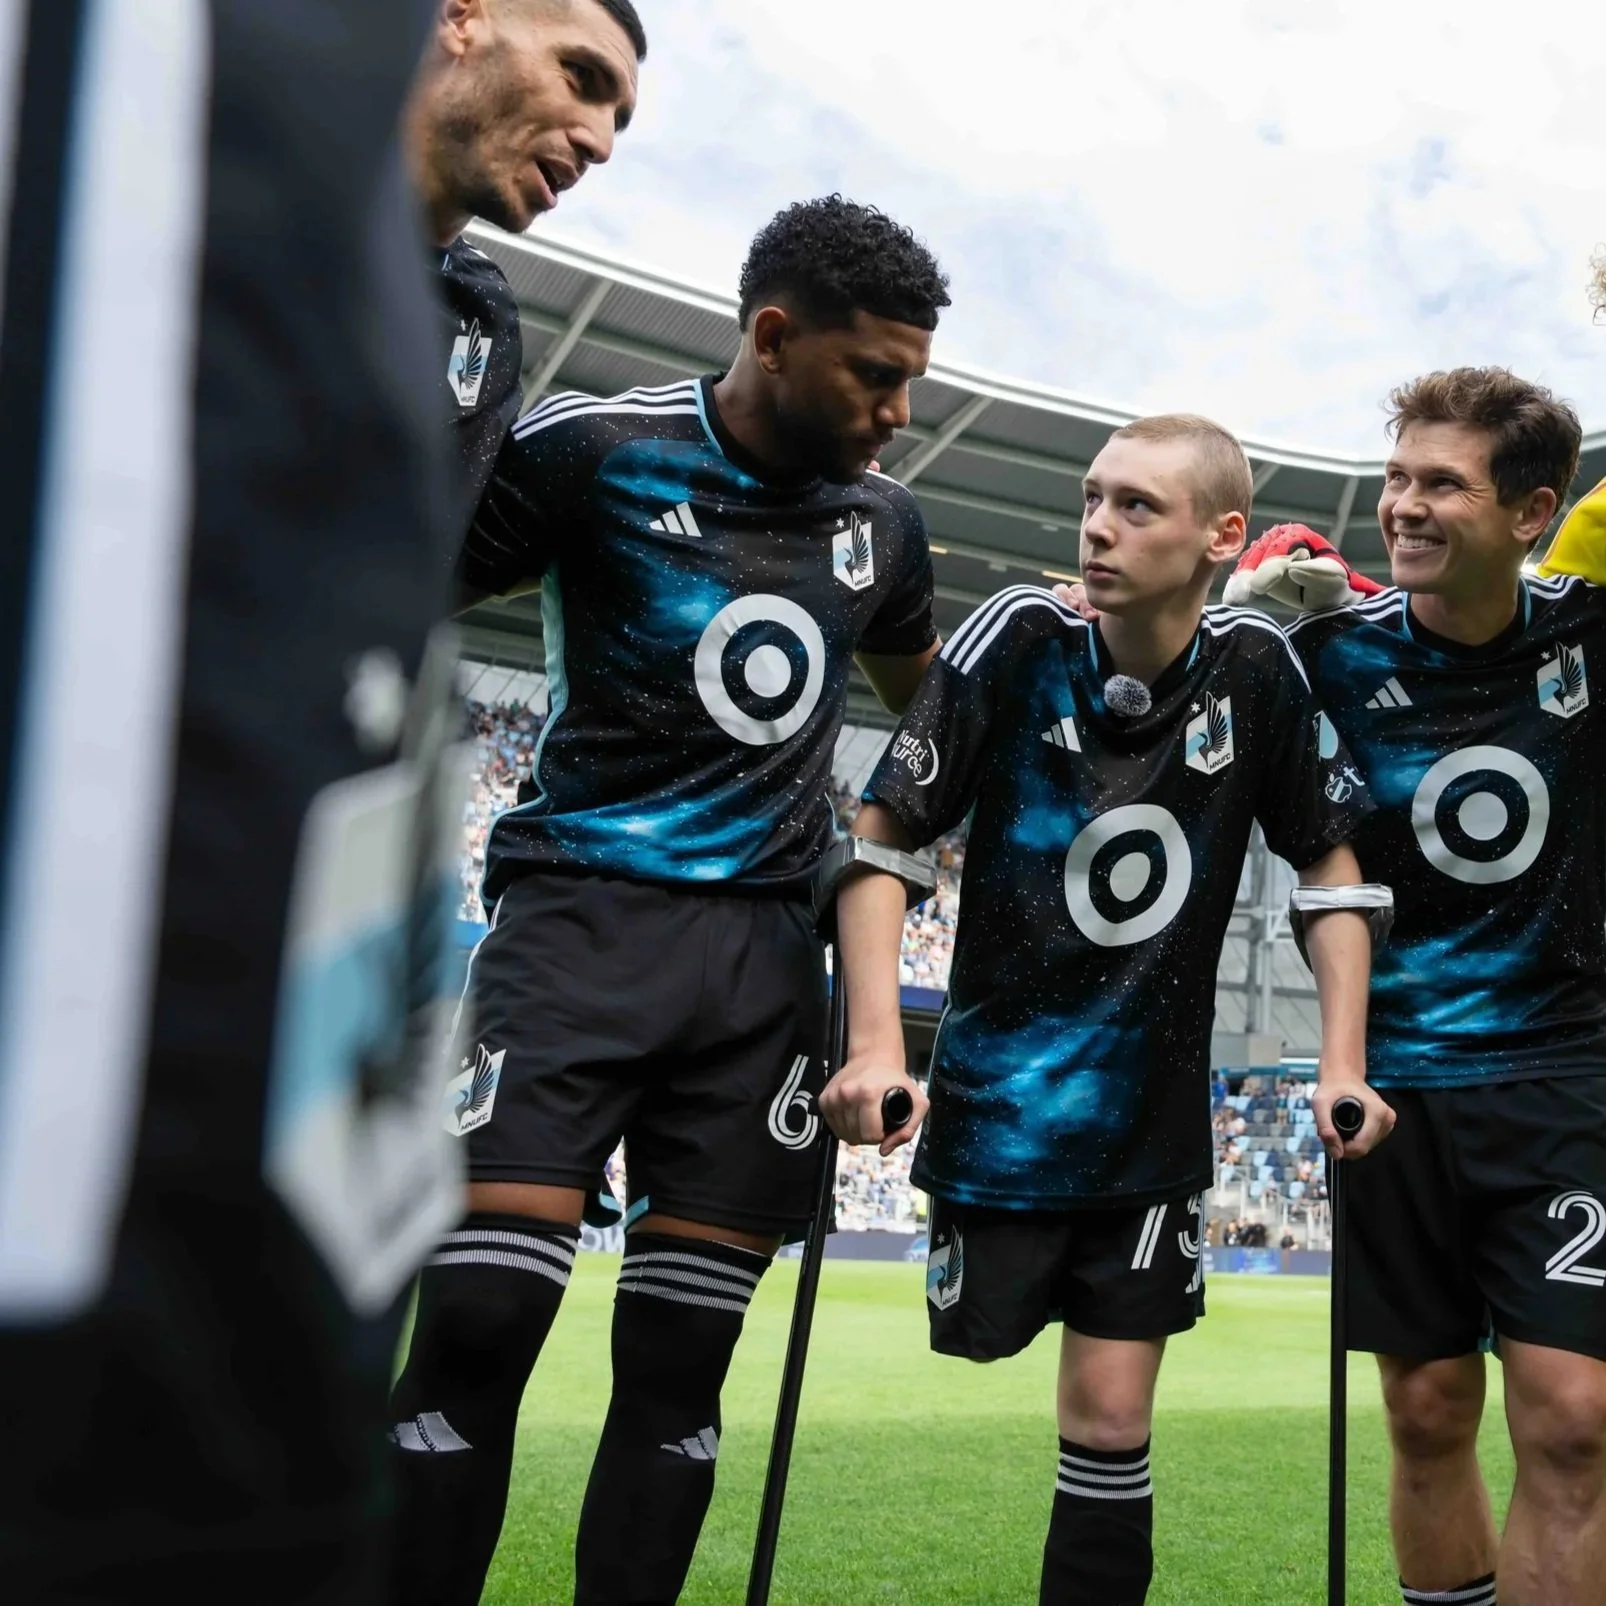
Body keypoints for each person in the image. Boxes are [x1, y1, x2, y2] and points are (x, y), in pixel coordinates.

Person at [388, 195, 952, 1606]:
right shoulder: (592, 453)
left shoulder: (885, 526)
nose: (895, 411)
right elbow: (393, 588)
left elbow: (936, 733)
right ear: (772, 333)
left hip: (766, 971)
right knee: (477, 1314)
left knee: (682, 1367)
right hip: (574, 927)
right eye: (872, 375)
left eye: (913, 382)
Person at [0, 3, 470, 1602]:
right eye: (588, 76)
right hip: (143, 1280)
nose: (604, 136)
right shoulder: (186, 94)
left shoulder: (442, 294)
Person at [819, 413, 1393, 1605]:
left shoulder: (1255, 669)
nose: (1096, 525)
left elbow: (1332, 870)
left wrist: (1343, 1060)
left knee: (1111, 1419)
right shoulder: (1017, 638)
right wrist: (875, 1040)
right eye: (1090, 498)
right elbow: (882, 842)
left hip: (1148, 1128)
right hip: (1000, 1116)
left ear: (1218, 537)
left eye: (1136, 506)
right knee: (1019, 1377)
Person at [1239, 368, 1606, 1606]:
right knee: (1430, 1411)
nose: (1400, 505)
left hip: (1566, 1078)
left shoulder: (1591, 632)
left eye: (1440, 483)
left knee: (1573, 1418)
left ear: (1531, 510)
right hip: (1393, 1083)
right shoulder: (1317, 658)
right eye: (1397, 477)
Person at [404, 0, 647, 534]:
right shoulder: (213, 170)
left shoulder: (482, 317)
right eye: (581, 75)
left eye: (618, 122)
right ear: (459, 17)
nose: (601, 145)